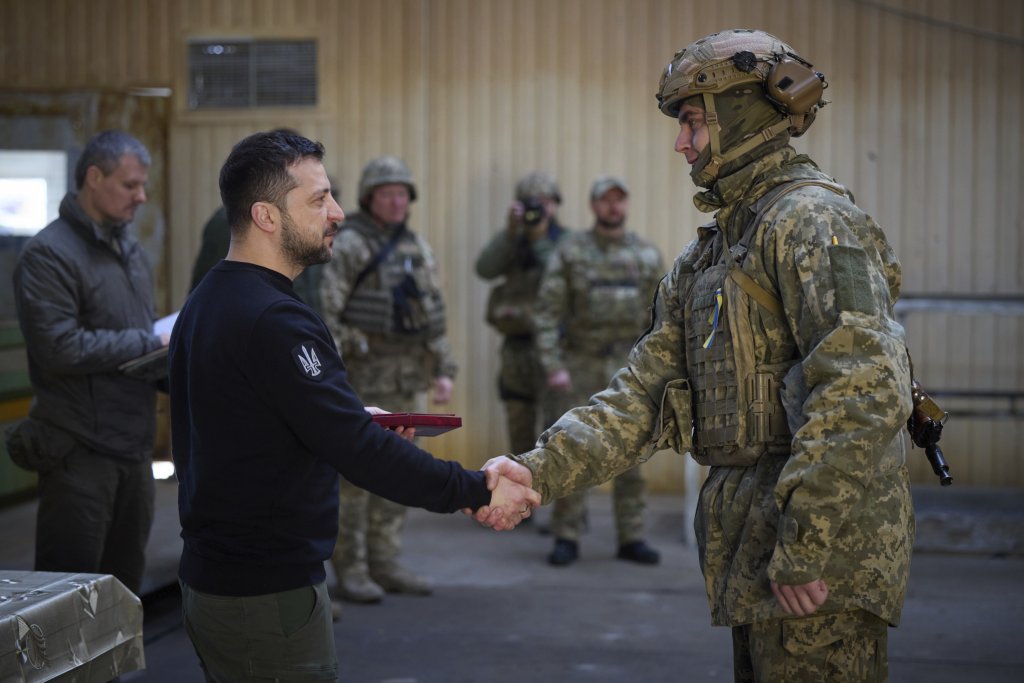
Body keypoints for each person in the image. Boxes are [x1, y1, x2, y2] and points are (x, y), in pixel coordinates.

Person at [480, 29, 914, 681]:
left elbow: (865, 386)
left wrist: (807, 540)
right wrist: (535, 469)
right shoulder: (713, 252)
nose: (681, 143)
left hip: (820, 568)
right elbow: (642, 394)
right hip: (757, 550)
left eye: (692, 121)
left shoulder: (811, 221)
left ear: (738, 115)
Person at [169, 130, 537, 682]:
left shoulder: (211, 299)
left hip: (222, 581)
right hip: (263, 594)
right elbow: (358, 451)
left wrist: (343, 416)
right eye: (319, 199)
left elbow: (246, 417)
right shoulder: (274, 319)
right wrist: (475, 489)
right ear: (266, 216)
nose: (337, 212)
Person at [12, 130, 164, 595]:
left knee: (123, 592)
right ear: (94, 178)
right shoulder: (48, 254)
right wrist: (147, 341)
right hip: (80, 450)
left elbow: (137, 335)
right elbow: (58, 347)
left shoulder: (129, 249)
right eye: (130, 185)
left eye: (142, 186)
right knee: (69, 595)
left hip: (133, 446)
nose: (141, 197)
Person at [318, 155, 456, 603]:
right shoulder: (350, 245)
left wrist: (444, 370)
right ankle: (351, 568)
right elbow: (326, 315)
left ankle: (386, 561)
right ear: (368, 198)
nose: (396, 202)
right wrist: (338, 368)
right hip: (362, 380)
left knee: (399, 473)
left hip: (407, 379)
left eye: (402, 194)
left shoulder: (417, 247)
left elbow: (432, 314)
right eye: (387, 194)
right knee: (356, 479)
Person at [534, 175, 664, 567]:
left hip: (629, 366)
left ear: (626, 205)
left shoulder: (645, 255)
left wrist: (658, 369)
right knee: (572, 449)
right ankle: (566, 535)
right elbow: (547, 312)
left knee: (634, 452)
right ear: (593, 206)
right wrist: (553, 365)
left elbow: (662, 318)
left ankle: (632, 536)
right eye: (605, 200)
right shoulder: (571, 252)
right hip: (580, 364)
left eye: (618, 200)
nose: (613, 207)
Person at [475, 171, 568, 464]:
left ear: (555, 205)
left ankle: (559, 495)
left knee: (559, 432)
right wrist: (509, 233)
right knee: (519, 432)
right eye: (531, 202)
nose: (539, 208)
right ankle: (520, 492)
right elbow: (485, 269)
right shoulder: (512, 242)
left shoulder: (569, 242)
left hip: (556, 349)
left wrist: (539, 237)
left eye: (545, 201)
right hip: (516, 348)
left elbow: (561, 272)